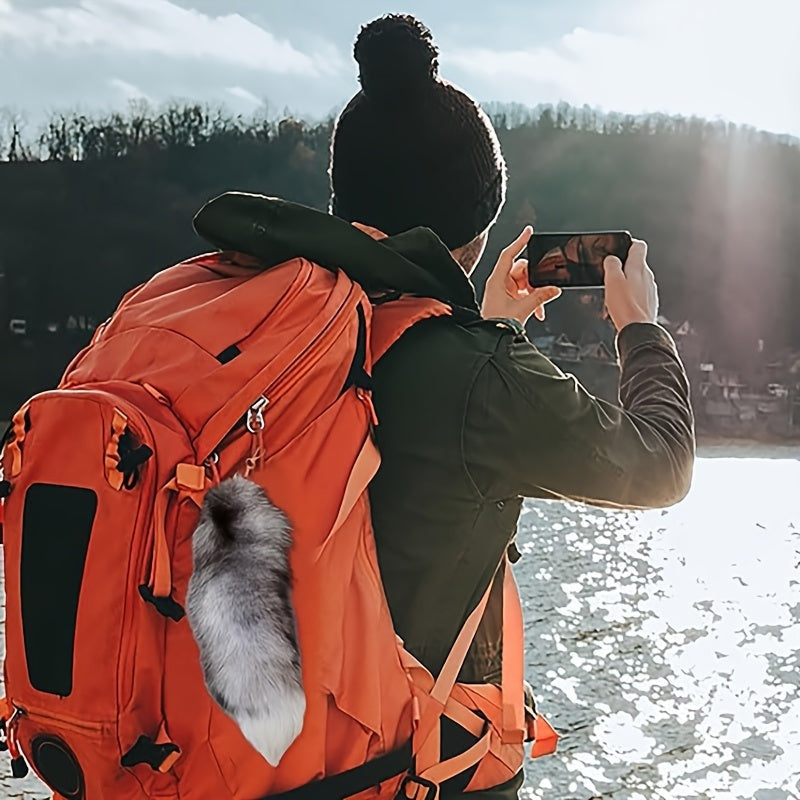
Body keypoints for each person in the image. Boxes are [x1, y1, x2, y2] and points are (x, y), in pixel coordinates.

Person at [327, 13, 695, 799]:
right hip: (407, 771)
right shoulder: (477, 377)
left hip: (259, 758)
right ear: (475, 228)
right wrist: (640, 328)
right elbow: (660, 466)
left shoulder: (292, 330)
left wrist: (487, 326)